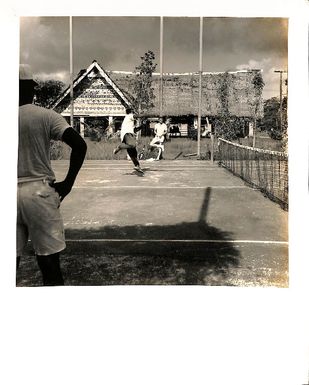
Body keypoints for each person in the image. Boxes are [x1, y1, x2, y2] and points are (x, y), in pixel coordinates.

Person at [17, 64, 87, 286]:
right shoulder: (46, 116)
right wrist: (67, 184)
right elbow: (79, 145)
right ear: (31, 89)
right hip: (39, 193)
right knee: (49, 265)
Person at [113, 108, 144, 174]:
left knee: (133, 153)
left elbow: (134, 130)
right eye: (133, 112)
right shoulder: (129, 116)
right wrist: (145, 115)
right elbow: (138, 116)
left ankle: (137, 166)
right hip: (127, 135)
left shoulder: (128, 122)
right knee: (132, 145)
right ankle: (120, 147)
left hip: (126, 135)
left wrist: (141, 127)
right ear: (131, 112)